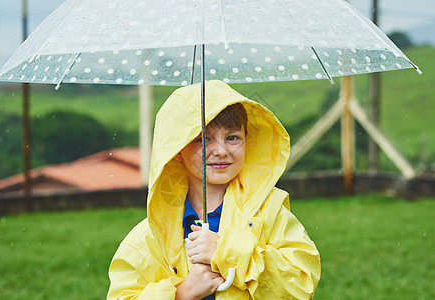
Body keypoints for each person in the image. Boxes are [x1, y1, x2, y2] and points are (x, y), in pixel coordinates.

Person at [107, 80, 320, 299]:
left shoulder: (269, 213)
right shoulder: (150, 236)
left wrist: (226, 252)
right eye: (203, 139)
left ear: (248, 140)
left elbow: (299, 286)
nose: (220, 150)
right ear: (177, 149)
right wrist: (182, 294)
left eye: (232, 138)